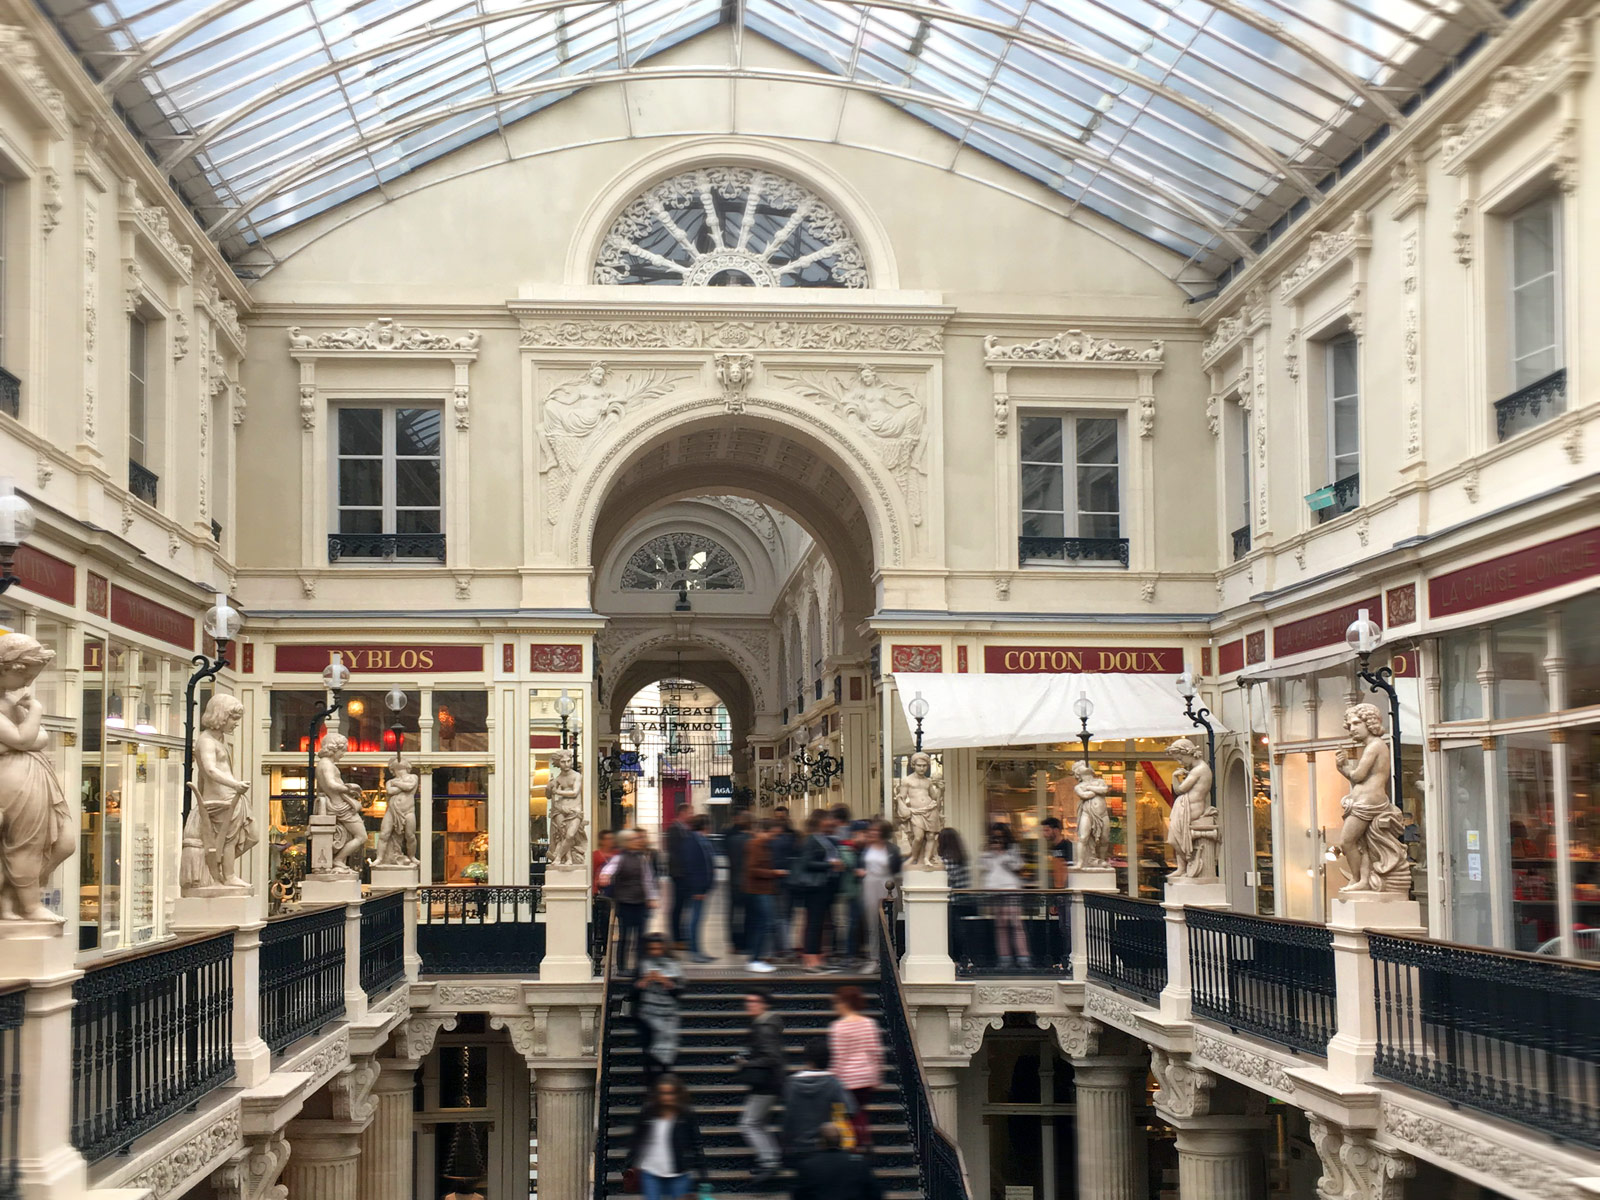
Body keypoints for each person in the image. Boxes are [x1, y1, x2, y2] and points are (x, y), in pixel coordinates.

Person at [734, 986, 786, 1183]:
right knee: (758, 1123)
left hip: (767, 1083)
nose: (749, 1005)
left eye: (753, 1002)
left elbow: (772, 1057)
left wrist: (747, 1063)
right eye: (748, 1002)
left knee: (748, 1124)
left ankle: (769, 1162)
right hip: (770, 1083)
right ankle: (771, 1159)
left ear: (763, 1005)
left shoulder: (764, 1028)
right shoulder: (763, 1025)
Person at [625, 1075, 707, 1200]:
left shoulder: (686, 1115)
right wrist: (629, 1164)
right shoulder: (648, 1113)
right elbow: (637, 1140)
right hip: (650, 1171)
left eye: (670, 1093)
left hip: (679, 1173)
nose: (666, 1097)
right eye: (663, 1093)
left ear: (678, 1094)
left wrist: (703, 1175)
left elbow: (696, 1144)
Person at [780, 1037, 855, 1166]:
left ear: (807, 1058)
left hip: (799, 1148)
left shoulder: (791, 1083)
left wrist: (785, 1143)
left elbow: (788, 1116)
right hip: (824, 1147)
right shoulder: (833, 1083)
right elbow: (851, 1109)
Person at [828, 986, 884, 1150]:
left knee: (846, 1113)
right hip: (866, 1076)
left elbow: (839, 1056)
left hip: (847, 1078)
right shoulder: (869, 1023)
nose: (835, 1006)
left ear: (845, 1003)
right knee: (859, 1110)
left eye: (837, 1002)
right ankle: (863, 1139)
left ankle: (853, 1143)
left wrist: (833, 1077)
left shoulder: (838, 1027)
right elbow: (875, 1050)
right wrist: (877, 1073)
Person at [600, 830, 658, 975]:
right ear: (627, 843)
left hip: (640, 902)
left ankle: (639, 966)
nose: (638, 841)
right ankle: (622, 967)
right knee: (625, 937)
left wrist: (652, 897)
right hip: (625, 902)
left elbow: (648, 880)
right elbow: (609, 869)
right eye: (634, 839)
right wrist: (605, 876)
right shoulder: (619, 858)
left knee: (640, 937)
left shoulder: (643, 859)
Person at [794, 810, 844, 973]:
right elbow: (807, 863)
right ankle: (810, 958)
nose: (829, 822)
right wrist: (830, 865)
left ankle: (817, 955)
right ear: (819, 821)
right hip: (815, 887)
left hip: (825, 886)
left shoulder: (824, 838)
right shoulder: (811, 839)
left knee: (822, 923)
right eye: (826, 819)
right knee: (814, 923)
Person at [632, 934, 684, 1084]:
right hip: (647, 1017)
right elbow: (633, 992)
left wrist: (665, 981)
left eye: (658, 948)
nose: (655, 951)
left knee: (667, 1052)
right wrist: (644, 981)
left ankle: (666, 1083)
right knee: (648, 1054)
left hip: (667, 1017)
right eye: (652, 948)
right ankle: (651, 1085)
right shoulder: (643, 965)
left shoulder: (674, 966)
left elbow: (680, 990)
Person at [978, 823, 1029, 970]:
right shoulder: (988, 852)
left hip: (1011, 889)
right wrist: (990, 851)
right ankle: (1004, 958)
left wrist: (1006, 859)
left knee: (1016, 924)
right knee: (1001, 926)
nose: (997, 841)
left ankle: (1023, 957)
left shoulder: (1013, 850)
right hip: (995, 890)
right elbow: (983, 865)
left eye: (1000, 838)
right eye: (995, 838)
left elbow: (1019, 866)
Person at [791, 1124, 883, 1200]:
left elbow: (799, 1195)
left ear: (821, 1142)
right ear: (841, 1141)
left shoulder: (807, 1166)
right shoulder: (859, 1163)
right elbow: (875, 1193)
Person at [856, 821, 902, 971]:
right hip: (870, 885)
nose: (872, 833)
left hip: (887, 884)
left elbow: (896, 867)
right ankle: (874, 959)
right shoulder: (866, 849)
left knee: (888, 923)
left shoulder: (892, 849)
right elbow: (861, 865)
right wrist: (861, 872)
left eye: (875, 830)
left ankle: (890, 959)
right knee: (872, 923)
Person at [743, 818, 783, 973]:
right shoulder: (756, 845)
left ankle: (757, 958)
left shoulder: (763, 844)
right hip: (758, 891)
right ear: (766, 831)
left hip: (763, 890)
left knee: (762, 924)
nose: (775, 837)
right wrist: (773, 873)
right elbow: (752, 869)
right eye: (773, 833)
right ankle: (754, 959)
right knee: (764, 924)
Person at [683, 813, 717, 962]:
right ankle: (694, 951)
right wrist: (698, 888)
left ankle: (698, 950)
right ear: (705, 826)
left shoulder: (702, 840)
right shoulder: (692, 841)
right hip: (697, 888)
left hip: (703, 887)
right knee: (695, 920)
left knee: (698, 919)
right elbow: (693, 865)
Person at [939, 828, 973, 969]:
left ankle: (956, 961)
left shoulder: (946, 860)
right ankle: (965, 959)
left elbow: (946, 880)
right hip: (964, 901)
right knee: (962, 933)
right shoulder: (961, 858)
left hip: (951, 902)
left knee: (951, 933)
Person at [770, 808, 798, 962]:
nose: (780, 819)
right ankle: (783, 947)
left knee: (784, 916)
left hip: (786, 881)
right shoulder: (788, 837)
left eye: (782, 816)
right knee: (782, 916)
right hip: (780, 881)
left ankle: (780, 947)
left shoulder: (790, 836)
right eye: (778, 817)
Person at [725, 809, 754, 960]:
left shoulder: (731, 840)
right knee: (748, 914)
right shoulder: (752, 840)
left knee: (733, 914)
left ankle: (734, 943)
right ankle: (747, 942)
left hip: (733, 881)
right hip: (748, 882)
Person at [665, 807, 695, 948]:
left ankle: (682, 936)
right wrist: (681, 872)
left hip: (683, 874)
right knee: (678, 906)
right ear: (682, 813)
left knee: (683, 906)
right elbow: (676, 853)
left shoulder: (685, 828)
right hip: (679, 874)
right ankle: (677, 938)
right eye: (690, 812)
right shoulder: (674, 829)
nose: (692, 815)